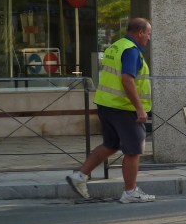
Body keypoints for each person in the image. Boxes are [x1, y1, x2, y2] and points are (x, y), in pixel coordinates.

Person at [66, 18, 155, 203]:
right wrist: (139, 109)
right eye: (148, 33)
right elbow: (127, 79)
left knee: (111, 144)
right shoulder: (131, 51)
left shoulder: (116, 46)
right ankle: (130, 192)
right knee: (133, 150)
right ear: (140, 33)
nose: (149, 37)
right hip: (123, 108)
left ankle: (80, 176)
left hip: (106, 104)